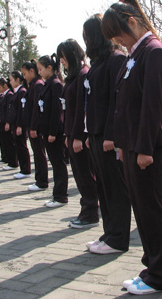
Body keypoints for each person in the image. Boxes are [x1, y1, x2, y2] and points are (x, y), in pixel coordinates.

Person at [102, 0, 162, 295]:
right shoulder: (135, 54)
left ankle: (160, 275)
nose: (118, 42)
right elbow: (124, 105)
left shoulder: (155, 52)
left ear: (132, 22)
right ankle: (150, 267)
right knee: (142, 210)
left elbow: (153, 106)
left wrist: (144, 148)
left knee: (153, 210)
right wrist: (123, 144)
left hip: (148, 146)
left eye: (118, 34)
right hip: (132, 146)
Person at [82, 14, 131, 254]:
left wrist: (112, 135)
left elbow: (117, 99)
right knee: (103, 186)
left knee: (115, 188)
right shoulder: (99, 63)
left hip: (109, 137)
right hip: (96, 133)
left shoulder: (116, 59)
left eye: (86, 35)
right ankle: (109, 232)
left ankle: (119, 238)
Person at [57, 39, 100, 229]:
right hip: (71, 133)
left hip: (79, 136)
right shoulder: (74, 77)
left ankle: (90, 212)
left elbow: (83, 110)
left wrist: (77, 137)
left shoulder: (84, 75)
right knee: (80, 175)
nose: (62, 61)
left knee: (85, 175)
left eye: (63, 56)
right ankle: (87, 209)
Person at [34, 54, 68, 207]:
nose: (39, 73)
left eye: (41, 69)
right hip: (46, 131)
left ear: (49, 68)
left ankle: (61, 196)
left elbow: (56, 111)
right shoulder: (48, 84)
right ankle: (57, 194)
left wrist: (53, 133)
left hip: (54, 133)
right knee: (55, 164)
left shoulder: (55, 84)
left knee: (59, 165)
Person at [22, 60, 49, 192]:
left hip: (36, 127)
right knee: (37, 154)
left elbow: (36, 109)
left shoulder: (37, 85)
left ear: (31, 71)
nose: (24, 76)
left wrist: (33, 127)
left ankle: (42, 181)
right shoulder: (32, 85)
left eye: (25, 73)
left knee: (39, 154)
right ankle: (39, 179)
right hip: (32, 126)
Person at [0, 78, 18, 171]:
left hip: (8, 123)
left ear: (4, 86)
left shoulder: (9, 95)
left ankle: (13, 162)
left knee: (10, 143)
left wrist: (8, 122)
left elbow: (10, 110)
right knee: (5, 142)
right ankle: (8, 160)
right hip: (2, 122)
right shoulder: (4, 96)